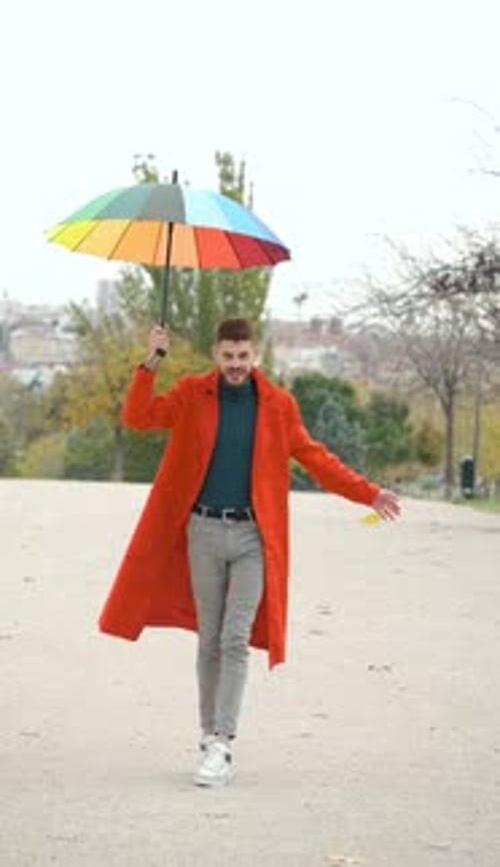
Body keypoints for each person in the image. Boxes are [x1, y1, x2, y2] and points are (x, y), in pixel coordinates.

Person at [98, 317, 400, 789]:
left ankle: (222, 741)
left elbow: (317, 459)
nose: (236, 365)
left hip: (253, 539)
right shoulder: (192, 394)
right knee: (209, 639)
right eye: (228, 357)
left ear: (254, 355)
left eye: (243, 357)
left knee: (235, 639)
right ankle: (206, 732)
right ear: (216, 355)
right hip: (202, 531)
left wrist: (368, 493)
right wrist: (151, 361)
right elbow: (139, 417)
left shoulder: (278, 405)